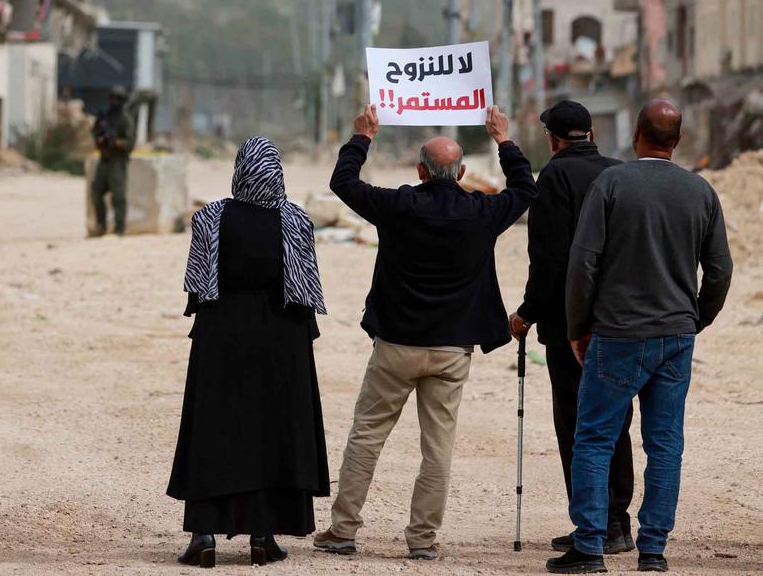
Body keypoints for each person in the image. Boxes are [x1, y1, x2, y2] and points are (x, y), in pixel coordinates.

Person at [314, 104, 537, 560]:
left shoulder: (399, 205)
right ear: (462, 173)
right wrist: (503, 139)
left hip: (396, 344)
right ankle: (422, 540)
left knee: (367, 436)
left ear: (419, 171)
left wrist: (363, 137)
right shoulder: (482, 212)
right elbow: (525, 188)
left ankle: (343, 530)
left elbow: (344, 183)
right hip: (452, 349)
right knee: (437, 448)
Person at [547, 100, 733, 575]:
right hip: (675, 335)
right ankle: (653, 549)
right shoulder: (700, 191)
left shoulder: (612, 184)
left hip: (616, 334)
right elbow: (719, 270)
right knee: (665, 444)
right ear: (678, 140)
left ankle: (590, 546)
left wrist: (577, 327)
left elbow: (583, 264)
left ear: (636, 135)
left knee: (594, 439)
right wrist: (696, 319)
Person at [168, 136, 329, 568]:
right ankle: (262, 536)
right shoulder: (295, 220)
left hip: (221, 337)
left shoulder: (209, 217)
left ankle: (204, 534)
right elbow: (305, 290)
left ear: (239, 170)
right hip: (282, 338)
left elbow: (198, 289)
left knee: (214, 429)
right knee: (273, 432)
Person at [507, 100, 635, 555]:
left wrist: (527, 312)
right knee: (615, 419)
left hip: (569, 326)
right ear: (591, 132)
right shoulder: (618, 173)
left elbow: (549, 260)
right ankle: (617, 522)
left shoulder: (554, 177)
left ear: (552, 139)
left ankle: (594, 524)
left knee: (578, 423)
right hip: (619, 321)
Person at [90, 85, 135, 236]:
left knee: (119, 197)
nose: (115, 101)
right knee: (96, 193)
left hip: (117, 161)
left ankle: (119, 229)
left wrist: (116, 141)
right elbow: (96, 133)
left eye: (118, 99)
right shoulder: (105, 116)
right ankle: (101, 226)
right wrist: (101, 138)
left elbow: (130, 143)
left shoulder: (126, 119)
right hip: (104, 160)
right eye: (113, 98)